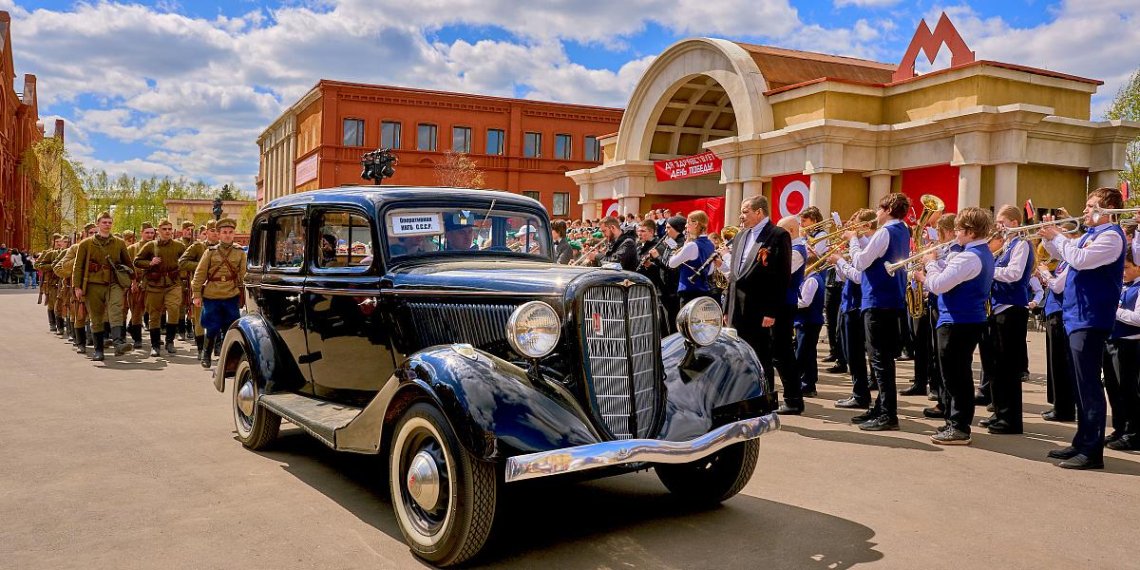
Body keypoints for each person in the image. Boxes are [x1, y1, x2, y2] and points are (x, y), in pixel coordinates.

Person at [1038, 187, 1127, 469]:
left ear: (1107, 209)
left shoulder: (1111, 236)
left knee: (1089, 386)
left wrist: (1058, 236)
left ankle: (1091, 451)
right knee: (1079, 384)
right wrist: (1049, 237)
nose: (1085, 210)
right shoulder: (1092, 234)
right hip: (1076, 316)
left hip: (1091, 317)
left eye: (1091, 206)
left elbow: (1079, 259)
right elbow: (1066, 256)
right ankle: (1081, 441)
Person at [913, 207, 995, 445]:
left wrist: (929, 265)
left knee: (955, 376)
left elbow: (939, 285)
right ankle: (953, 421)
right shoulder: (979, 252)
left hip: (958, 321)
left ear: (970, 232)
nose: (955, 233)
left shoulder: (968, 257)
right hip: (965, 320)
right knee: (954, 374)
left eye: (959, 229)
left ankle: (959, 427)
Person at [833, 193, 911, 431]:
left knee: (880, 360)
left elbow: (860, 262)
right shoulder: (903, 230)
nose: (877, 213)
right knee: (882, 360)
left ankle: (888, 414)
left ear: (887, 210)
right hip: (889, 299)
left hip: (878, 300)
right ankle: (881, 408)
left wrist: (852, 240)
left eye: (879, 208)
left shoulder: (885, 232)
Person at [723, 195, 796, 414]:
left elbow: (782, 277)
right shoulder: (741, 235)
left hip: (759, 308)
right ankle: (744, 399)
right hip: (736, 307)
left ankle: (764, 403)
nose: (741, 216)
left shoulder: (778, 235)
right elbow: (734, 275)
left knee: (761, 356)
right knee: (739, 355)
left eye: (745, 211)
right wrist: (727, 308)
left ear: (759, 212)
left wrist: (771, 311)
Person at [977, 205, 1034, 435]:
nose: (997, 226)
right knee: (996, 366)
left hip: (1012, 309)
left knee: (1008, 367)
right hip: (998, 309)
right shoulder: (1006, 245)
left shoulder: (1021, 244)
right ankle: (999, 412)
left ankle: (1010, 419)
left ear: (1014, 222)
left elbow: (1014, 274)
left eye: (1001, 222)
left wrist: (986, 269)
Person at [73, 211, 135, 360]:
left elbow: (128, 263)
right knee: (96, 317)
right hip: (93, 284)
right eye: (104, 222)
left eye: (109, 222)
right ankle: (98, 350)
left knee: (116, 309)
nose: (107, 225)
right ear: (98, 224)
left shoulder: (119, 243)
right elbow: (78, 266)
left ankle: (118, 343)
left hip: (113, 283)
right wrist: (77, 286)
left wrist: (132, 279)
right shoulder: (86, 244)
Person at [834, 209, 876, 410]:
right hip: (848, 301)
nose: (851, 229)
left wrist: (840, 261)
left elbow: (860, 277)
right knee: (850, 351)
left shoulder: (865, 246)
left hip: (857, 303)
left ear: (866, 226)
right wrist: (838, 262)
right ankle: (858, 391)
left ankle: (861, 394)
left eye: (855, 225)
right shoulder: (857, 246)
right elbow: (845, 277)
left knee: (856, 352)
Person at [192, 218, 246, 369]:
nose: (228, 235)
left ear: (234, 234)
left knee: (230, 327)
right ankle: (206, 354)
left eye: (230, 232)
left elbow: (244, 274)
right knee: (212, 326)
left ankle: (228, 359)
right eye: (224, 232)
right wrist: (196, 294)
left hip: (231, 295)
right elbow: (200, 274)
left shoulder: (240, 252)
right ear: (219, 234)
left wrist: (246, 293)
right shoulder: (210, 252)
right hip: (212, 295)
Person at [1101, 251, 1140, 450]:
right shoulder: (1121, 286)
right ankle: (1120, 428)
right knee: (1113, 389)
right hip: (1112, 341)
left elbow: (1138, 319)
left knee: (1128, 390)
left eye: (1126, 268)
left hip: (1129, 344)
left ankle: (1134, 433)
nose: (1122, 272)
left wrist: (1114, 310)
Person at [135, 219, 188, 357]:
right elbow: (137, 261)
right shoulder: (150, 246)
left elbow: (188, 259)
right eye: (164, 229)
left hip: (173, 283)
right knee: (154, 315)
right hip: (154, 284)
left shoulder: (179, 246)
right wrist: (150, 263)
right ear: (158, 231)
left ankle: (170, 341)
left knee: (174, 309)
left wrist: (183, 267)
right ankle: (155, 346)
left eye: (169, 229)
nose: (167, 232)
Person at [179, 220, 219, 360]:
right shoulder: (198, 247)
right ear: (206, 232)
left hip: (219, 289)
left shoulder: (224, 249)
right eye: (212, 230)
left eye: (217, 230)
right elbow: (182, 262)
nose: (215, 233)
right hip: (200, 288)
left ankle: (214, 347)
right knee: (200, 320)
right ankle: (201, 349)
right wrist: (202, 266)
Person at [667, 210, 717, 304]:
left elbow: (672, 264)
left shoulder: (692, 245)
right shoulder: (711, 244)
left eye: (688, 223)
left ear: (695, 224)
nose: (686, 226)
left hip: (688, 292)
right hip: (704, 291)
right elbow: (710, 271)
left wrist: (684, 246)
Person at [795, 262, 826, 398]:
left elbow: (805, 302)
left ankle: (806, 384)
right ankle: (807, 384)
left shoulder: (811, 280)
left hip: (808, 321)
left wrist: (789, 303)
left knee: (803, 354)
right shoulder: (811, 279)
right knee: (808, 354)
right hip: (807, 321)